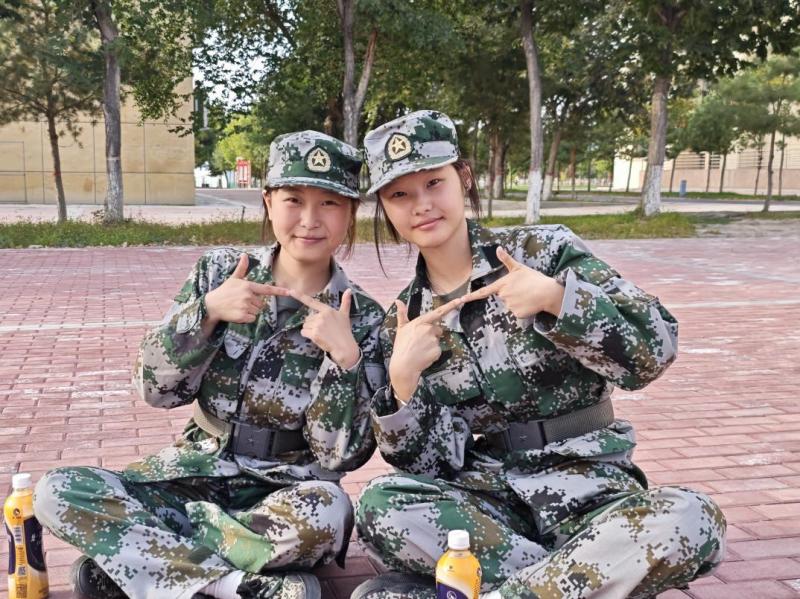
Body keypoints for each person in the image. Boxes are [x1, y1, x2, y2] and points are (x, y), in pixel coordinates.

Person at [352, 110, 726, 599]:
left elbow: (654, 351)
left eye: (434, 183)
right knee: (380, 504)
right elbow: (430, 466)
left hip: (591, 488)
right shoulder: (404, 322)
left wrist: (559, 299)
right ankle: (585, 580)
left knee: (691, 518)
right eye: (400, 195)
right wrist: (402, 384)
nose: (421, 205)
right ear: (384, 206)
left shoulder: (545, 252)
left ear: (464, 177)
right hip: (490, 503)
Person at [33, 131, 386, 599]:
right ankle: (234, 584)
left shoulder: (362, 316)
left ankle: (144, 559)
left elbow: (339, 457)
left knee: (328, 514)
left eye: (329, 204)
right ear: (268, 202)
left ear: (350, 212)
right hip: (192, 473)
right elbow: (156, 391)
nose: (309, 220)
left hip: (285, 493)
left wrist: (345, 361)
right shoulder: (218, 273)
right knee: (58, 490)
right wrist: (207, 313)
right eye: (293, 200)